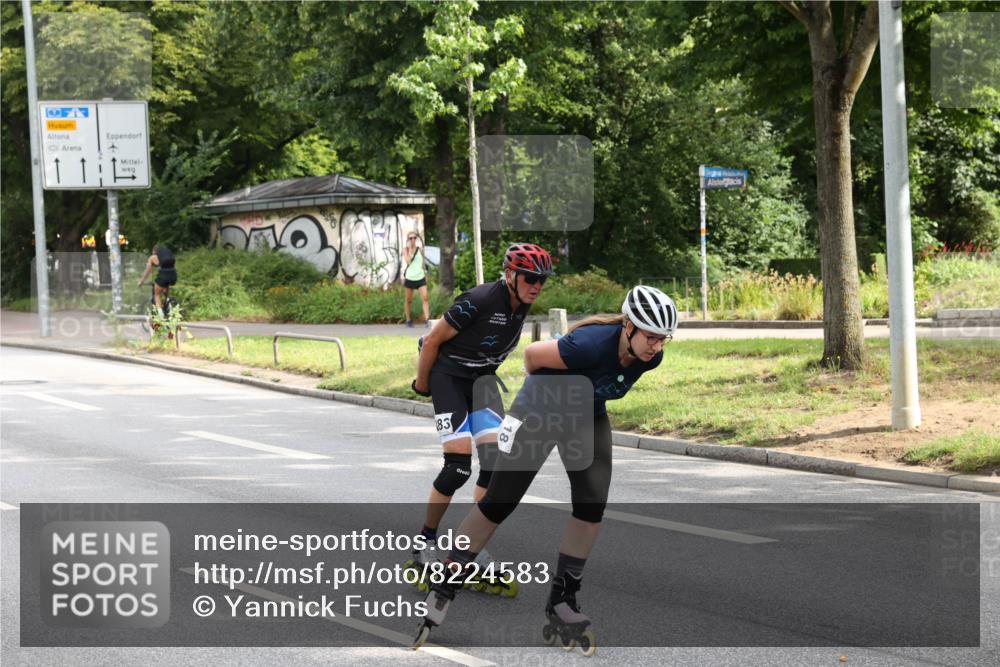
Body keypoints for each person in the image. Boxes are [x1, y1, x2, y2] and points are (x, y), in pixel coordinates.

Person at [414, 285, 679, 656]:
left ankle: (562, 601)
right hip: (541, 408)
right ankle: (448, 579)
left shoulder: (650, 358)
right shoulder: (588, 344)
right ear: (629, 327)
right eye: (651, 336)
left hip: (586, 415)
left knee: (591, 504)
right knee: (499, 501)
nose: (656, 346)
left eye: (663, 339)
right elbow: (531, 358)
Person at [406, 243, 554, 585]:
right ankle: (425, 540)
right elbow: (430, 341)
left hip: (483, 383)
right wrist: (423, 385)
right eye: (530, 278)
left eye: (542, 280)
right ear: (510, 274)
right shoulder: (481, 299)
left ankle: (468, 547)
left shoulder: (521, 307)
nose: (536, 285)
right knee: (457, 468)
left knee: (495, 466)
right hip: (449, 379)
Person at [137, 243, 177, 315]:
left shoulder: (153, 257)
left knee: (157, 294)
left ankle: (160, 316)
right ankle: (170, 308)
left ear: (154, 250)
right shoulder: (169, 256)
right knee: (165, 291)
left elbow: (148, 271)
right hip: (173, 276)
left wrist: (141, 281)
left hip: (163, 277)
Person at [402, 233, 430, 327]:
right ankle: (408, 320)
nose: (413, 240)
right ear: (408, 240)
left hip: (420, 277)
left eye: (414, 238)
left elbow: (423, 263)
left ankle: (427, 320)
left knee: (425, 298)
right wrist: (410, 249)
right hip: (410, 278)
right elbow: (408, 261)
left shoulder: (420, 250)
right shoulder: (405, 250)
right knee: (408, 300)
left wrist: (426, 274)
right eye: (410, 238)